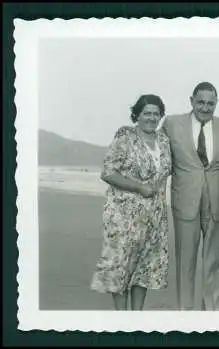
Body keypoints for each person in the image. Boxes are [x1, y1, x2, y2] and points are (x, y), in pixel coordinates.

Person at [161, 82, 219, 310]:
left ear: (216, 103)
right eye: (201, 102)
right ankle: (185, 314)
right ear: (191, 100)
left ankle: (211, 315)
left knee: (213, 261)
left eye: (210, 103)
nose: (205, 107)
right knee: (185, 262)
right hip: (185, 202)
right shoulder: (172, 124)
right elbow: (158, 156)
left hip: (216, 204)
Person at [90, 94, 172, 310]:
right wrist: (138, 187)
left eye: (156, 114)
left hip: (154, 215)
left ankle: (137, 317)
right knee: (121, 266)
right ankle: (122, 320)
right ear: (137, 114)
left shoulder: (163, 140)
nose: (151, 118)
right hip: (124, 216)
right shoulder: (125, 136)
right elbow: (107, 172)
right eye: (147, 113)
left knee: (144, 268)